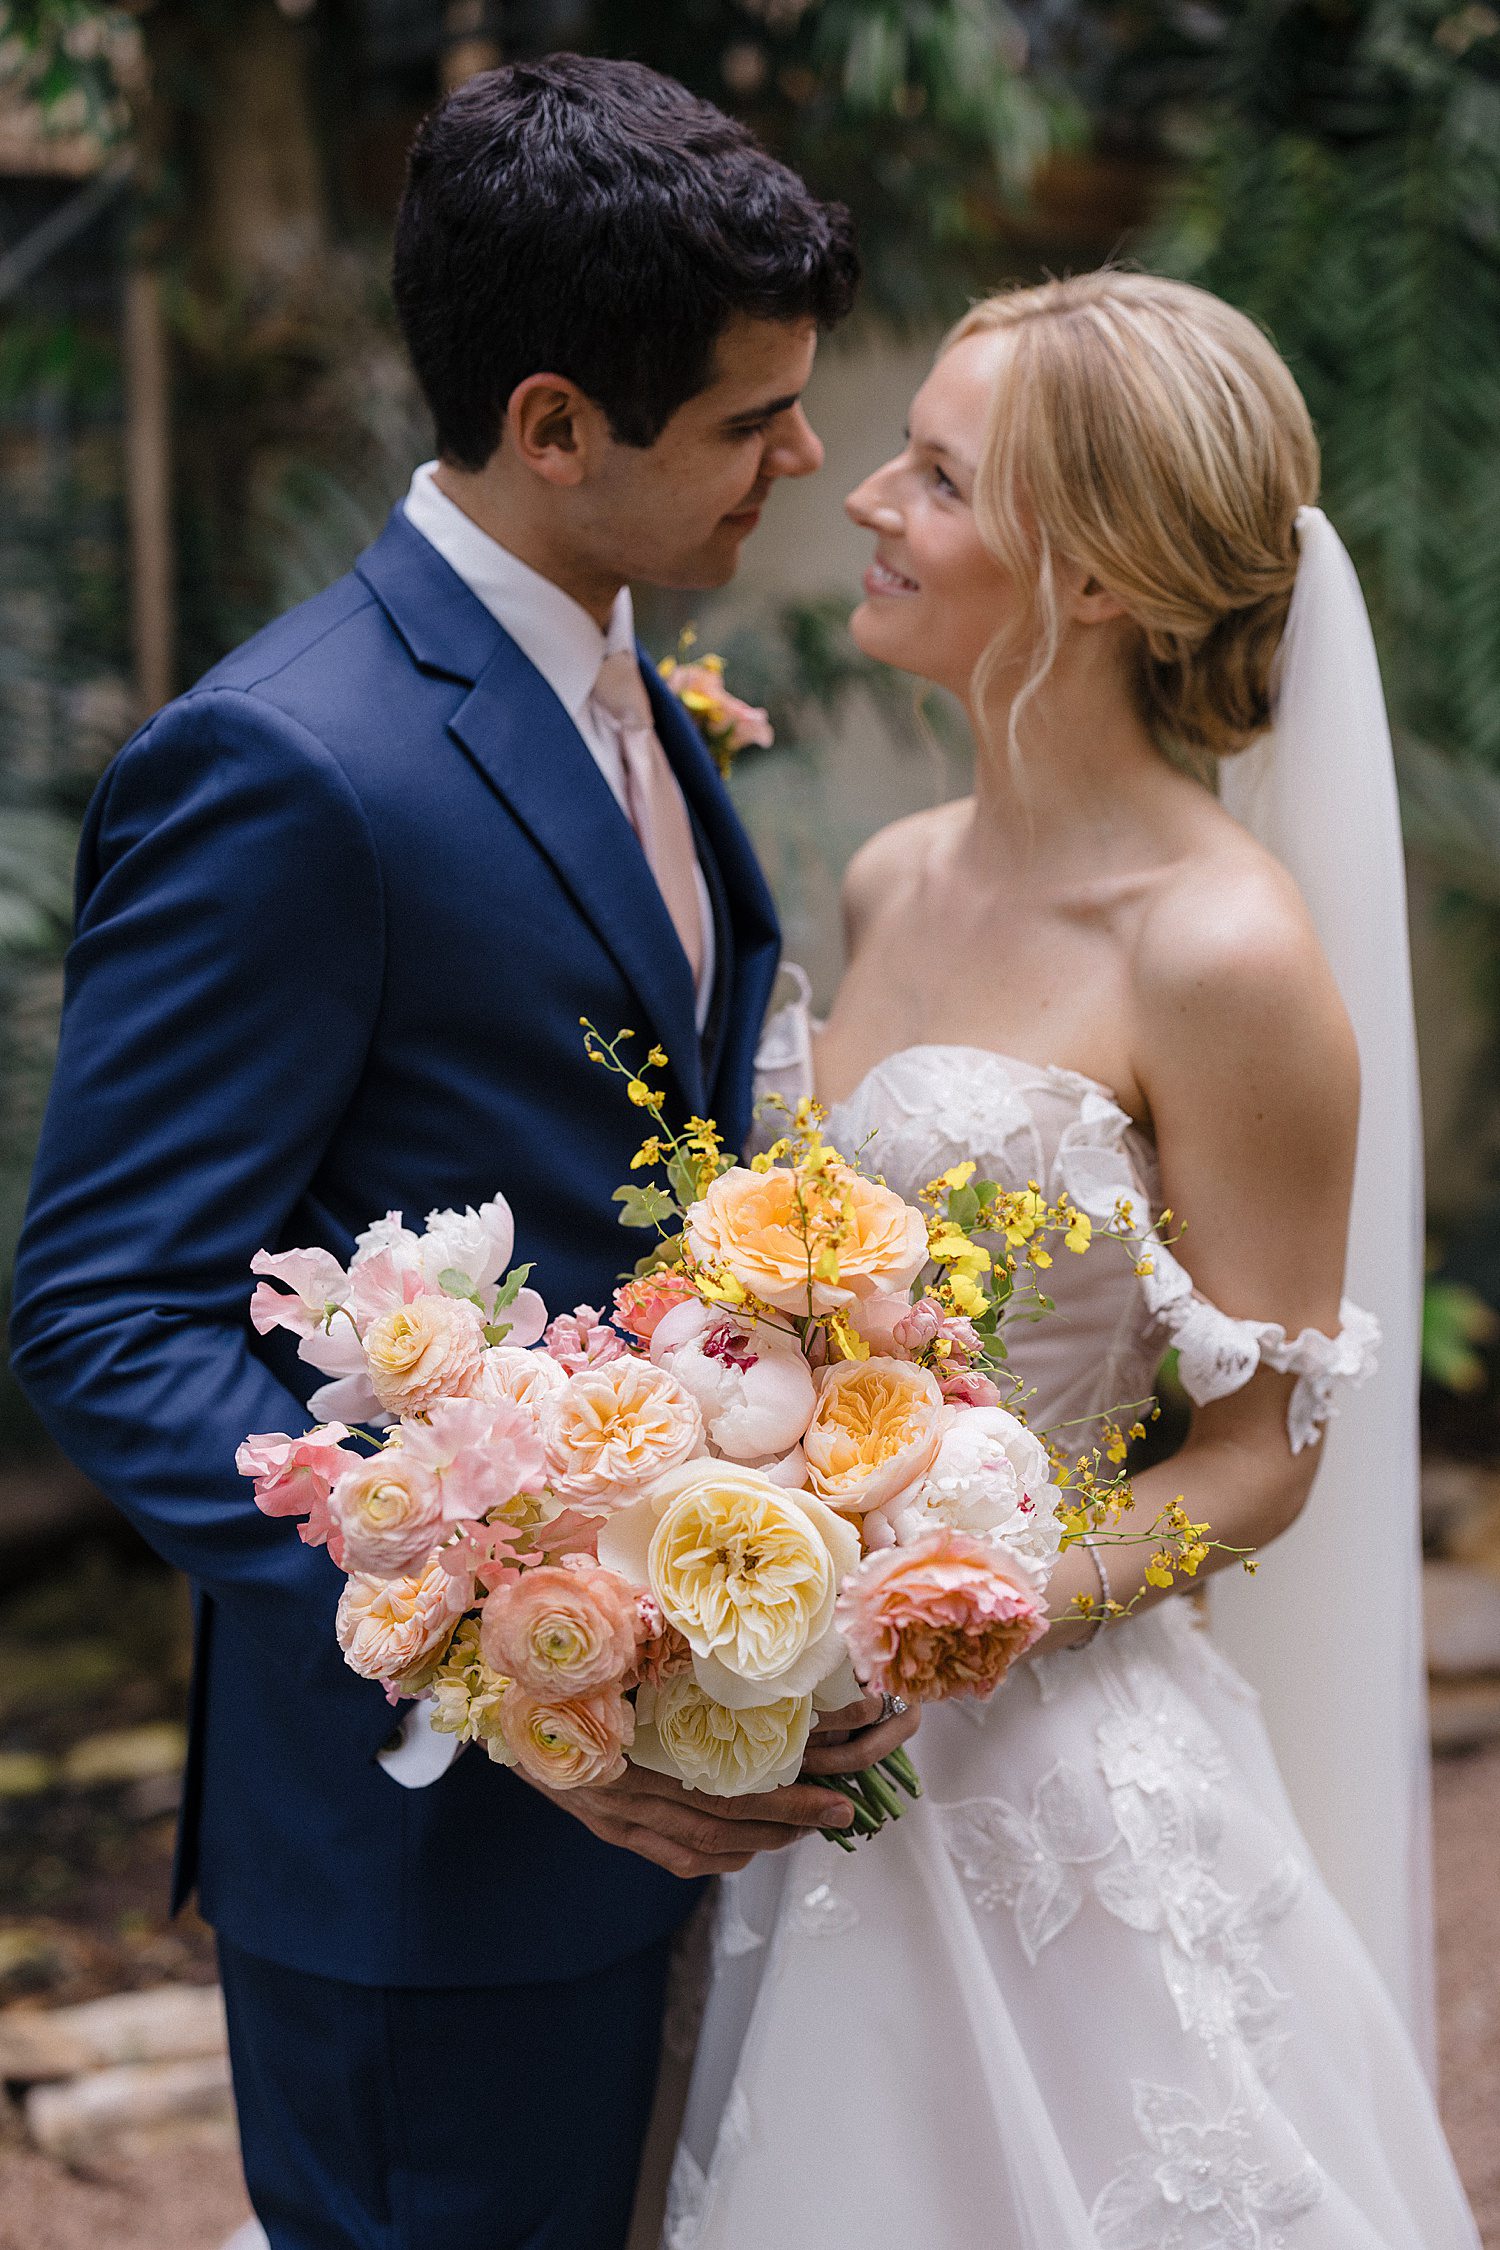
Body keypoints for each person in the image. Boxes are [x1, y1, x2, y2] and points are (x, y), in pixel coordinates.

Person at [8, 54, 917, 2250]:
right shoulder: (285, 765)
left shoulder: (622, 688)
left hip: (667, 1808)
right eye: (747, 421)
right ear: (549, 425)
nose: (804, 461)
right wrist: (512, 1670)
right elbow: (108, 1311)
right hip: (429, 1852)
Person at [666, 272, 1481, 2249]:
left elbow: (1265, 1444)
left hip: (1041, 1771)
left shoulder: (1219, 952)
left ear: (1097, 578)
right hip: (784, 1743)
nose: (864, 497)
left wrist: (982, 1601)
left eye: (938, 476)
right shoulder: (889, 872)